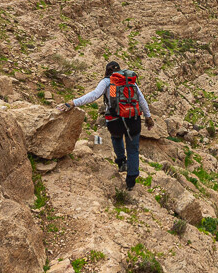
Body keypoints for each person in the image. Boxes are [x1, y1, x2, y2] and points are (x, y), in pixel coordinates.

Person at [61, 61, 152, 190]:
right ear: (120, 70)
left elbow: (93, 96)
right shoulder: (130, 81)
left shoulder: (106, 82)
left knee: (116, 138)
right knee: (133, 149)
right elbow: (142, 100)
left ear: (106, 70)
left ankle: (121, 162)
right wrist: (148, 117)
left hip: (115, 120)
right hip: (133, 119)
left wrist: (74, 102)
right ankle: (131, 182)